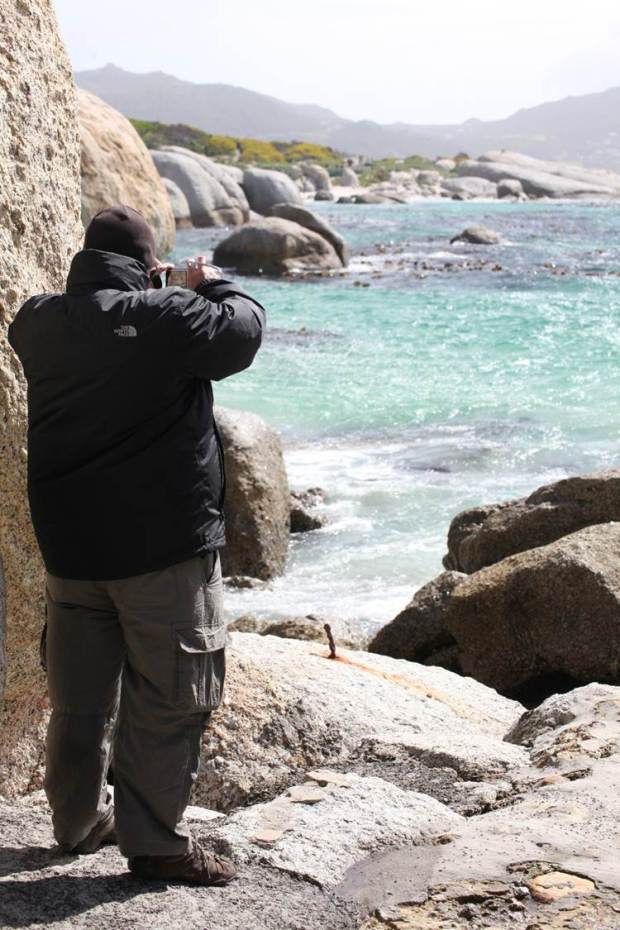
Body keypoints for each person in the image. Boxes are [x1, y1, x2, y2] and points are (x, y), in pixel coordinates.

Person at [8, 204, 266, 885]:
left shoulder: (36, 322)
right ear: (149, 266)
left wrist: (155, 291)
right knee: (171, 697)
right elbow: (243, 331)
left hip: (71, 552)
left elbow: (101, 326)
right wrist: (207, 283)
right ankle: (155, 847)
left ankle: (75, 823)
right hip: (163, 550)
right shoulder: (168, 318)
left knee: (80, 700)